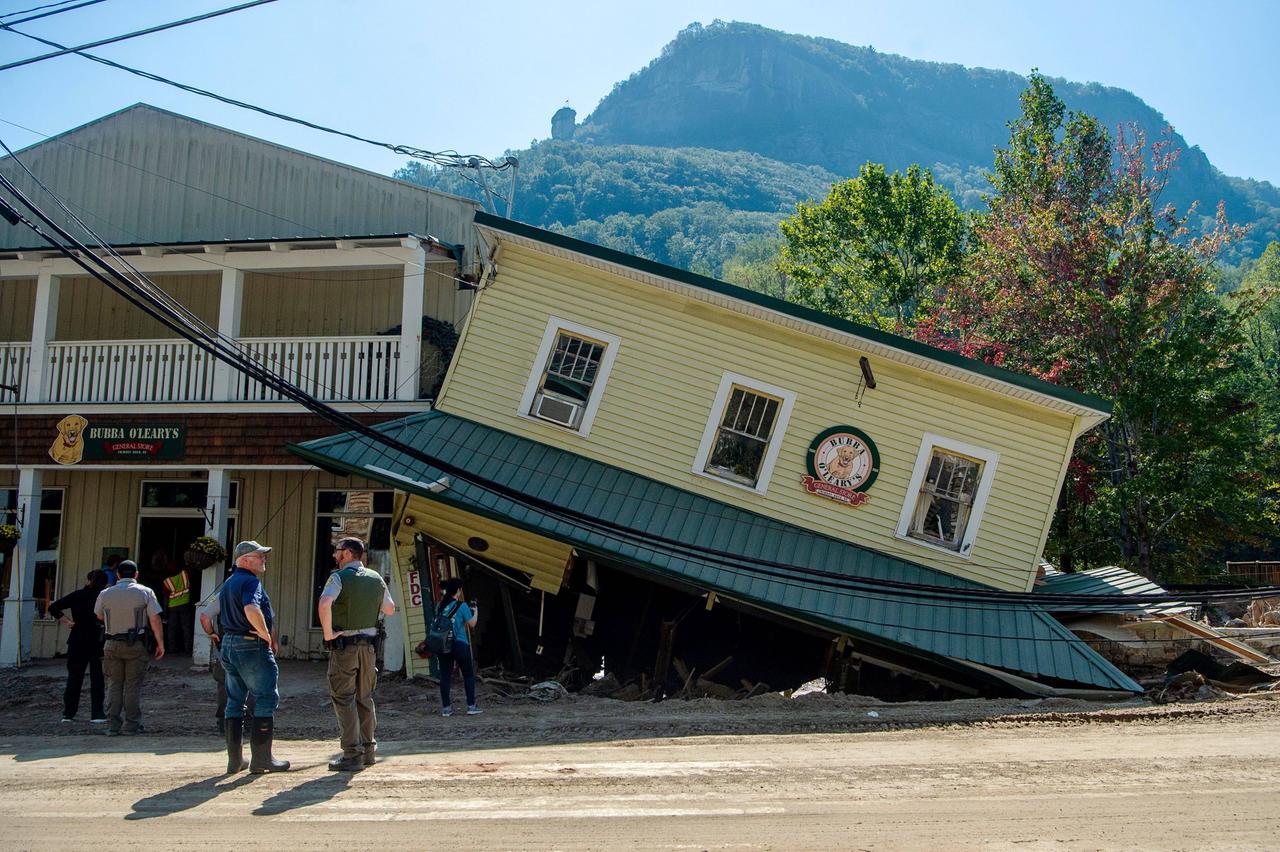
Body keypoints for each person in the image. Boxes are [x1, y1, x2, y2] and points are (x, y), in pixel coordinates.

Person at [317, 536, 396, 772]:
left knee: (343, 697)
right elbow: (390, 609)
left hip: (346, 647)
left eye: (337, 550)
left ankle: (352, 754)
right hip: (369, 648)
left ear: (349, 553)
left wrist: (329, 633)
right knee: (365, 697)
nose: (334, 555)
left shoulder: (338, 577)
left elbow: (324, 603)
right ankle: (369, 751)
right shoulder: (376, 578)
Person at [218, 540, 289, 774]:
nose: (264, 559)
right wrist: (265, 634)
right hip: (250, 644)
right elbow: (251, 608)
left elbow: (209, 614)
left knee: (234, 700)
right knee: (266, 697)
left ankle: (235, 760)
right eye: (259, 556)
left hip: (228, 642)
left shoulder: (229, 582)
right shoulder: (250, 581)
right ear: (245, 560)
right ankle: (261, 760)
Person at [93, 560, 164, 735]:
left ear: (118, 575)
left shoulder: (105, 593)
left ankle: (112, 725)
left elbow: (99, 616)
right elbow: (154, 619)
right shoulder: (145, 592)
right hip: (135, 642)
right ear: (136, 574)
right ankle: (132, 724)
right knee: (132, 685)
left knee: (114, 684)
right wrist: (160, 643)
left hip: (111, 642)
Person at [48, 569, 109, 724]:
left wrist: (67, 621)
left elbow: (53, 607)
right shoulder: (105, 596)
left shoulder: (78, 595)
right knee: (97, 678)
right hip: (98, 640)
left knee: (74, 677)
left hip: (77, 638)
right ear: (105, 583)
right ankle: (97, 713)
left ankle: (68, 714)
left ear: (88, 580)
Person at [197, 576, 253, 734]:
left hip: (227, 643)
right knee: (252, 683)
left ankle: (225, 722)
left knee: (224, 684)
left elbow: (204, 616)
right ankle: (249, 721)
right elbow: (269, 620)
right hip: (251, 644)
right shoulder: (256, 591)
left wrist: (212, 634)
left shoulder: (223, 594)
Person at [434, 577, 481, 718]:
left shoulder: (439, 606)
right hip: (460, 643)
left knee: (445, 676)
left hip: (443, 644)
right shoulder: (462, 606)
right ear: (459, 590)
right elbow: (472, 623)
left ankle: (446, 708)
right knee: (468, 675)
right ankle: (471, 706)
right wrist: (476, 611)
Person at [163, 565, 194, 655]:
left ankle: (171, 649)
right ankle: (187, 649)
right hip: (185, 605)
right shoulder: (184, 574)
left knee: (171, 628)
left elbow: (165, 597)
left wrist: (165, 611)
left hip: (173, 607)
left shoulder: (167, 581)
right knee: (186, 627)